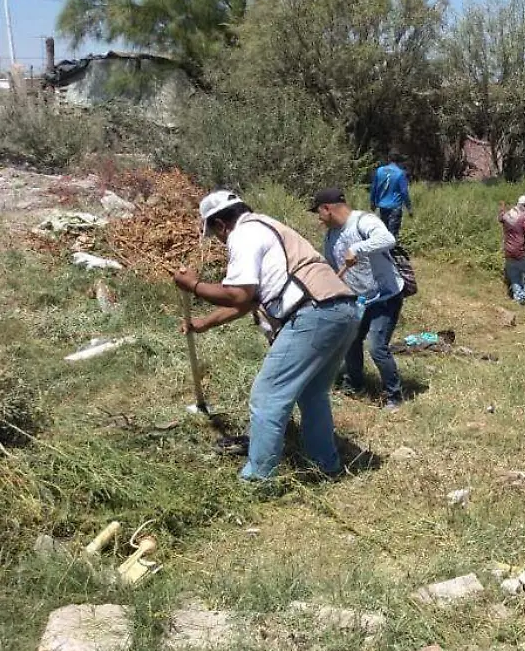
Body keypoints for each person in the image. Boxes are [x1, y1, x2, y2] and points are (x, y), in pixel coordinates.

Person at [173, 190, 359, 480]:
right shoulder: (266, 227)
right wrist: (204, 323)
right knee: (312, 394)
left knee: (267, 396)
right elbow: (249, 301)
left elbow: (237, 294)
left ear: (221, 225)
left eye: (218, 235)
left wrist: (194, 285)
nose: (221, 241)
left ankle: (258, 479)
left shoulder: (243, 234)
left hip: (313, 313)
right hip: (342, 309)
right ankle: (326, 466)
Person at [313, 188, 407, 409]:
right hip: (357, 300)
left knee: (376, 347)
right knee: (351, 342)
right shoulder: (331, 235)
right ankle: (355, 385)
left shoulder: (363, 221)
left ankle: (394, 396)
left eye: (318, 212)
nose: (318, 218)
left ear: (327, 208)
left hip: (385, 296)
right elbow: (331, 266)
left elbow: (387, 238)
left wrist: (357, 248)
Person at [500, 195, 525, 305]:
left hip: (508, 252)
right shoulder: (524, 218)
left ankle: (518, 299)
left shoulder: (508, 215)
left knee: (515, 276)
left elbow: (501, 218)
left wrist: (502, 208)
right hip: (521, 252)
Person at [370, 152, 412, 236]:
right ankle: (391, 249)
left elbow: (374, 187)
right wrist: (409, 208)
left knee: (382, 233)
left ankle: (383, 249)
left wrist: (372, 202)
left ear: (389, 159)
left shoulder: (379, 171)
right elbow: (404, 192)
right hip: (395, 207)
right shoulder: (400, 173)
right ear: (399, 162)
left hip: (381, 206)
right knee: (392, 235)